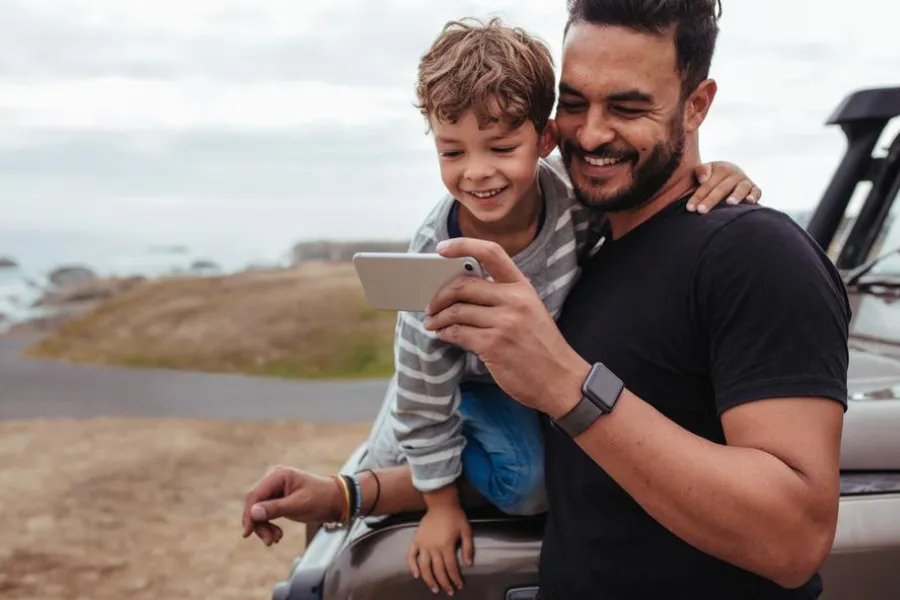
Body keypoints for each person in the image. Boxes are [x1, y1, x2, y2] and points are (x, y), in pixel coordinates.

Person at [238, 4, 849, 597]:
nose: (590, 133)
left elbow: (794, 542)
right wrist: (346, 494)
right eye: (575, 103)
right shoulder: (593, 248)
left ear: (696, 106)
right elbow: (538, 469)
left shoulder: (755, 252)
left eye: (628, 106)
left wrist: (566, 385)